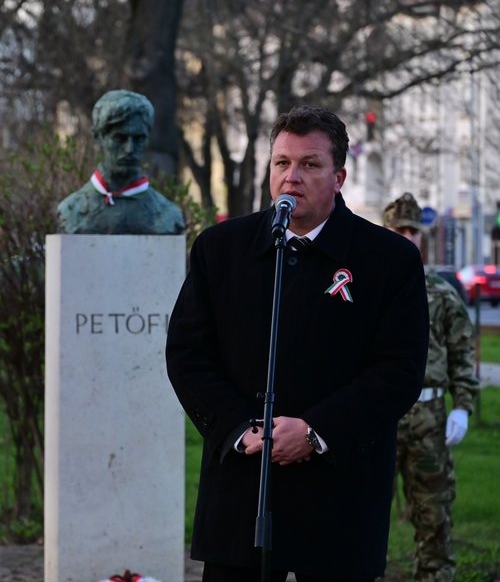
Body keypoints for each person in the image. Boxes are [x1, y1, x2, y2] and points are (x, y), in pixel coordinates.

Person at [166, 105, 429, 581]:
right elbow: (188, 353)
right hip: (243, 487)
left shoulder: (389, 260)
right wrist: (237, 428)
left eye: (310, 164)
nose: (292, 177)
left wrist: (314, 431)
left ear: (339, 176)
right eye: (282, 163)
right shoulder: (220, 249)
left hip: (339, 495)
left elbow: (399, 369)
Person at [383, 192, 479, 581]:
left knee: (434, 513)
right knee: (359, 514)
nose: (407, 237)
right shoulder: (363, 286)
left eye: (413, 230)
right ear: (386, 232)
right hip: (379, 416)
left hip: (429, 416)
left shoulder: (440, 292)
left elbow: (462, 352)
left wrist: (463, 405)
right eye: (398, 230)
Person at [57, 89, 186, 235]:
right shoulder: (72, 212)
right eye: (119, 138)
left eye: (138, 139)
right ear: (98, 137)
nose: (129, 149)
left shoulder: (167, 215)